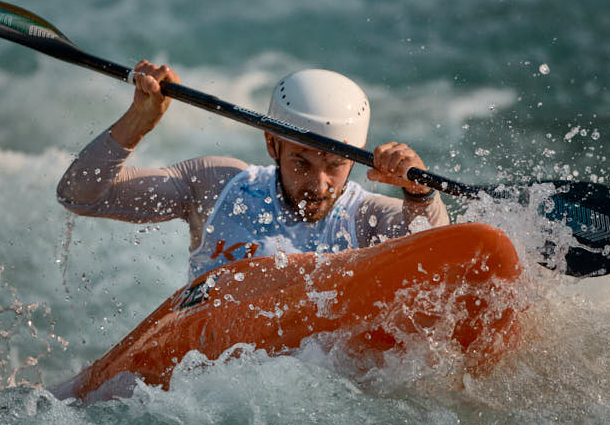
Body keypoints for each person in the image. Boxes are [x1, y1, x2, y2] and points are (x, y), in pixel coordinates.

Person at [57, 61, 449, 279]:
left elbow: (441, 263)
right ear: (271, 144)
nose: (319, 183)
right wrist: (138, 121)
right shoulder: (220, 187)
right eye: (301, 162)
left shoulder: (367, 219)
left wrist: (419, 193)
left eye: (335, 165)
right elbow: (80, 196)